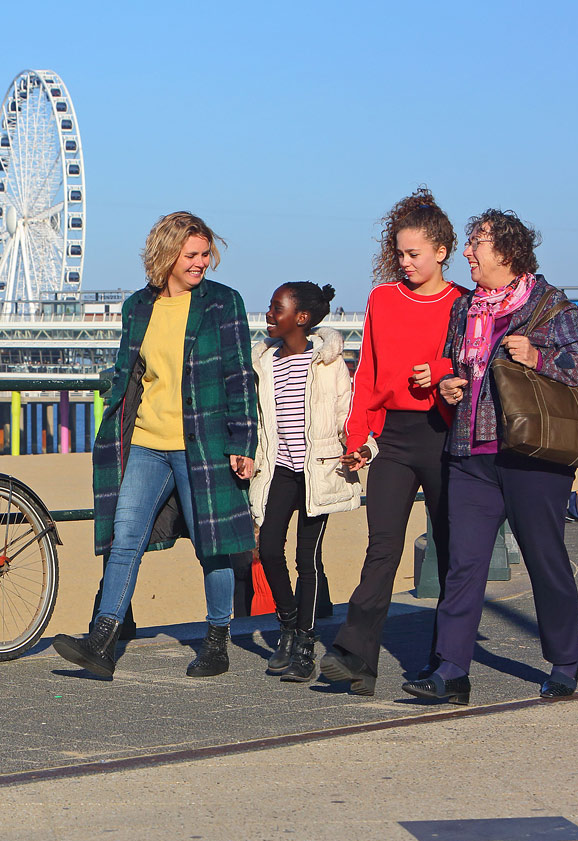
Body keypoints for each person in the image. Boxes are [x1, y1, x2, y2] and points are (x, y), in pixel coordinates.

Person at [403, 209, 578, 705]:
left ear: (507, 254)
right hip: (470, 452)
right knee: (463, 565)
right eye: (470, 244)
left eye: (477, 245)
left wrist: (539, 358)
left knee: (544, 558)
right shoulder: (465, 308)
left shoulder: (549, 307)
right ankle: (451, 671)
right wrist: (449, 383)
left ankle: (564, 661)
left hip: (531, 456)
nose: (468, 253)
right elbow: (458, 362)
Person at [53, 211, 257, 680]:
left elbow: (239, 376)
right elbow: (132, 374)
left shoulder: (223, 304)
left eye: (206, 254)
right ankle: (102, 641)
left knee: (213, 544)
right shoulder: (137, 307)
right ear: (166, 254)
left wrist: (243, 440)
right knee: (125, 539)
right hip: (146, 441)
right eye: (191, 255)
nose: (201, 263)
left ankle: (216, 640)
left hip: (201, 444)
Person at [318, 188, 466, 696]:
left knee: (451, 553)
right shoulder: (382, 299)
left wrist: (444, 370)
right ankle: (356, 656)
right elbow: (368, 375)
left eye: (414, 254)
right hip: (395, 441)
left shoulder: (464, 304)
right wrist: (358, 436)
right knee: (381, 547)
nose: (404, 263)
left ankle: (446, 666)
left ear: (442, 251)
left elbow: (477, 364)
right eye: (399, 254)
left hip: (448, 436)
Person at [248, 281, 361, 681]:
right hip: (280, 470)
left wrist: (363, 449)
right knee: (270, 551)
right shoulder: (264, 362)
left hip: (320, 470)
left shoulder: (328, 363)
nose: (268, 314)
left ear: (302, 318)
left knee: (307, 559)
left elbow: (350, 415)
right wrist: (250, 458)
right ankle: (288, 624)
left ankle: (305, 642)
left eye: (276, 308)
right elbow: (260, 423)